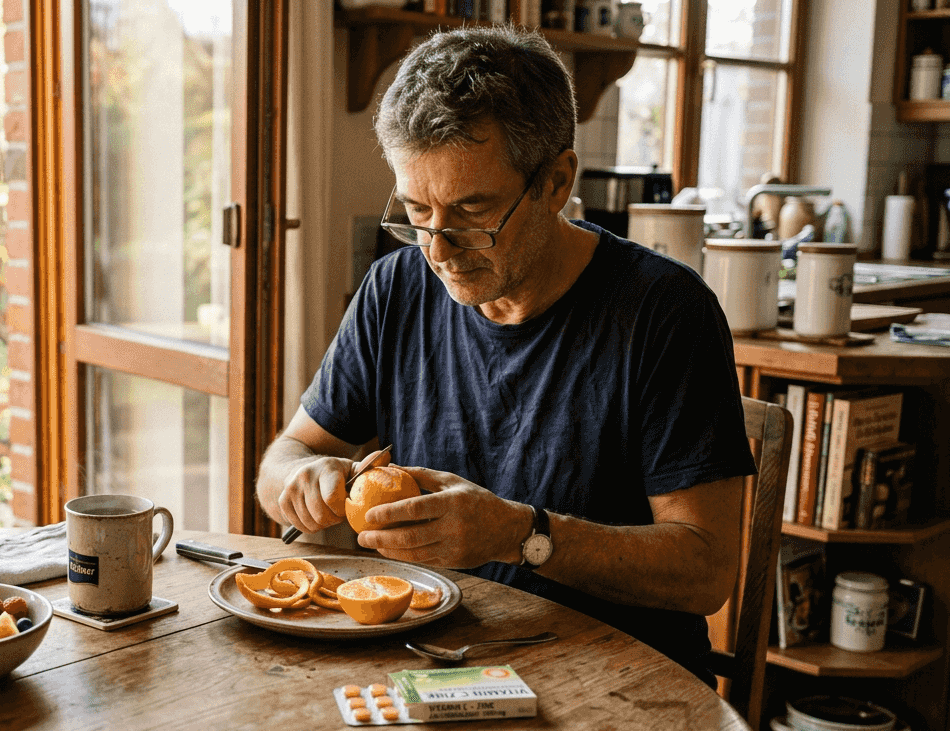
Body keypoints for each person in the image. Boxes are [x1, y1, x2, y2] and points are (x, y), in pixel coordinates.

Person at [255, 26, 756, 684]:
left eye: (470, 212)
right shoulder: (396, 289)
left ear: (556, 182)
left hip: (623, 686)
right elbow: (282, 459)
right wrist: (303, 482)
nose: (437, 247)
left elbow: (707, 572)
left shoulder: (664, 311)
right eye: (415, 210)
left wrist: (521, 535)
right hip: (443, 669)